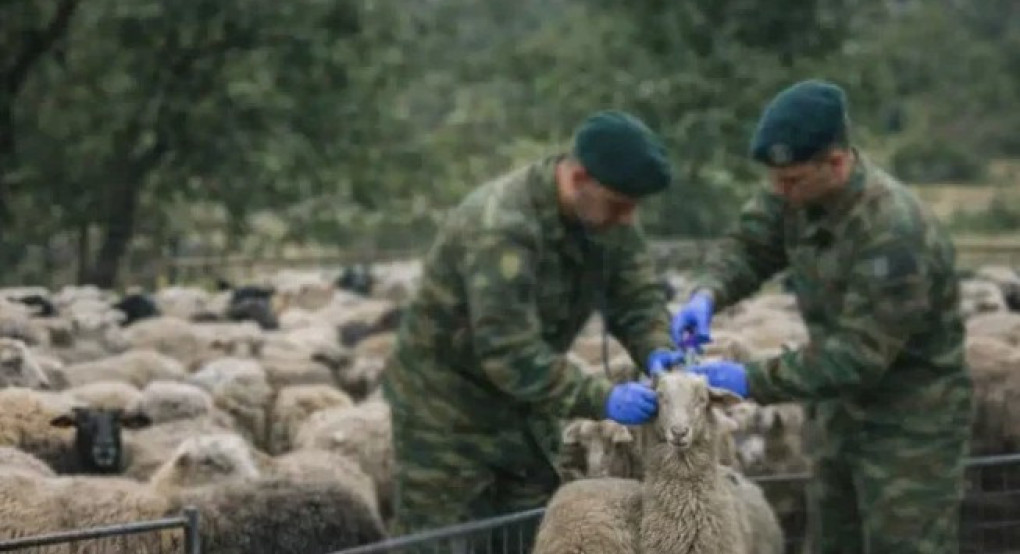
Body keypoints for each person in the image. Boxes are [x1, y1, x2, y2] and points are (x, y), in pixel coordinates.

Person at [673, 79, 973, 553]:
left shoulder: (893, 234)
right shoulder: (795, 194)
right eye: (774, 178)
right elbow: (750, 245)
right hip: (837, 415)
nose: (778, 190)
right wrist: (707, 293)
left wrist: (748, 379)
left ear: (836, 162)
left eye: (791, 180)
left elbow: (857, 357)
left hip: (910, 427)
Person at [381, 110, 684, 544]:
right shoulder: (501, 226)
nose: (627, 219)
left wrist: (658, 347)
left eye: (634, 207)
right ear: (579, 178)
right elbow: (508, 351)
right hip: (447, 415)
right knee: (443, 540)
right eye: (619, 204)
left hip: (528, 410)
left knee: (532, 536)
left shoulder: (607, 221)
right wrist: (603, 397)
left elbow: (635, 298)